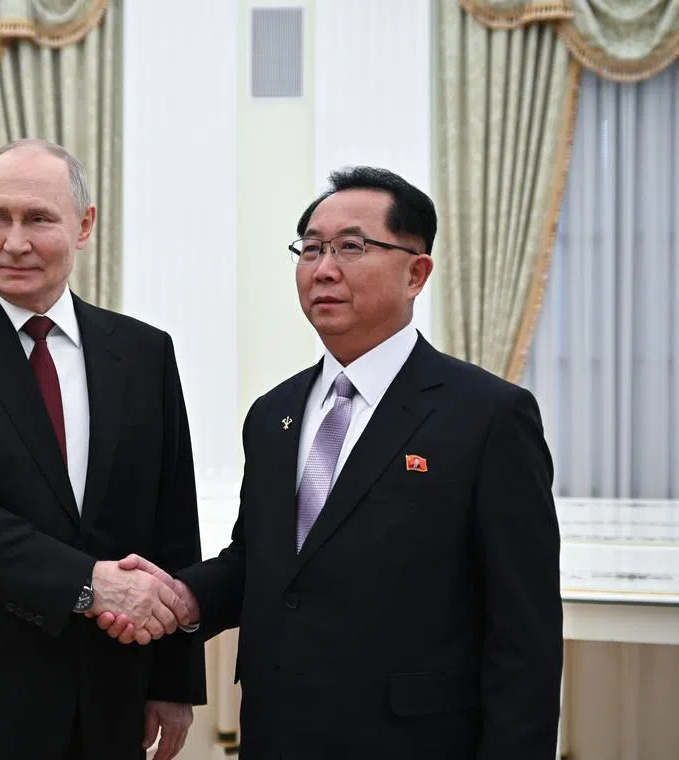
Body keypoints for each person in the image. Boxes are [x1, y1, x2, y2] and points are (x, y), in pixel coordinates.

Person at [100, 167, 563, 758]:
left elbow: (525, 632)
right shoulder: (274, 414)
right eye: (311, 249)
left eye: (352, 247)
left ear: (416, 271)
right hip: (278, 731)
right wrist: (183, 597)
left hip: (415, 739)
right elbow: (261, 562)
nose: (324, 269)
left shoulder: (489, 416)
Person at [0, 139, 205, 760]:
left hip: (111, 694)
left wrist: (173, 681)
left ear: (84, 225)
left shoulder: (144, 353)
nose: (14, 242)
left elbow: (172, 525)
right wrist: (86, 584)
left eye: (38, 218)